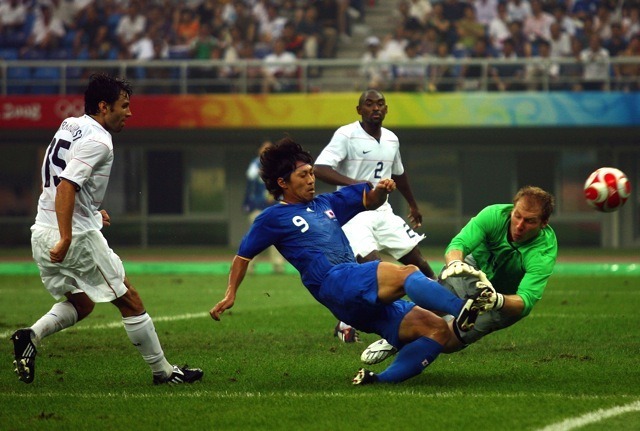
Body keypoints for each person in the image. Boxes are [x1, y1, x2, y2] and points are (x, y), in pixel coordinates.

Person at [209, 137, 494, 385]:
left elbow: (370, 200)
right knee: (406, 273)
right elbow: (243, 255)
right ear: (283, 182)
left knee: (437, 331)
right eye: (303, 175)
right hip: (335, 280)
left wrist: (382, 189)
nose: (311, 179)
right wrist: (230, 293)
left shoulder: (325, 203)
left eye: (311, 173)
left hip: (352, 304)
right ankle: (464, 308)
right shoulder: (271, 218)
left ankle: (377, 380)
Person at [11, 73, 203, 385]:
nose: (130, 113)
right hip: (73, 236)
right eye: (124, 106)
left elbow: (61, 178)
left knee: (82, 303)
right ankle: (164, 373)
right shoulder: (100, 140)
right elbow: (66, 186)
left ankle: (30, 336)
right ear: (104, 106)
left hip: (41, 230)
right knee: (129, 299)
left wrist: (90, 210)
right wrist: (68, 236)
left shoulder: (70, 125)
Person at [361, 186, 557, 365]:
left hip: (502, 299)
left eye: (529, 221)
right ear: (512, 209)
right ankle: (395, 338)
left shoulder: (543, 252)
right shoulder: (493, 215)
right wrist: (455, 262)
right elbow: (459, 244)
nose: (520, 225)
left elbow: (525, 301)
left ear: (544, 223)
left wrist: (497, 300)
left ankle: (403, 343)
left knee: (445, 342)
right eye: (517, 216)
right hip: (472, 270)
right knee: (429, 308)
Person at [314, 89, 437, 343]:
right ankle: (349, 323)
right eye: (369, 104)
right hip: (354, 213)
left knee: (422, 266)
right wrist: (356, 185)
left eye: (380, 104)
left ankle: (441, 313)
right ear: (359, 110)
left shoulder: (392, 139)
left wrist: (413, 205)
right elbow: (320, 168)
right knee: (374, 271)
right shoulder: (346, 134)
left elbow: (399, 173)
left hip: (384, 212)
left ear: (386, 109)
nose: (375, 108)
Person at [243, 140, 285, 274]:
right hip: (257, 207)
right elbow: (249, 186)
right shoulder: (254, 165)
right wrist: (247, 204)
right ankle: (248, 266)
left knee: (277, 237)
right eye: (264, 148)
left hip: (274, 207)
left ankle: (278, 266)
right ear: (259, 150)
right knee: (255, 237)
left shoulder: (279, 166)